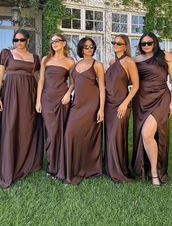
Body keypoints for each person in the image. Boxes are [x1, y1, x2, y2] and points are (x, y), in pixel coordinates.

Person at [0, 29, 43, 188]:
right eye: (16, 40)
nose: (19, 43)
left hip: (29, 96)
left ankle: (28, 161)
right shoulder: (6, 54)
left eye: (22, 40)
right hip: (12, 96)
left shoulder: (34, 58)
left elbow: (38, 79)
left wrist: (40, 99)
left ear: (28, 41)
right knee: (11, 127)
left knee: (28, 128)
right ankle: (9, 163)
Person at [132, 32, 172, 186]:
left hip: (161, 98)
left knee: (147, 134)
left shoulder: (165, 56)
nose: (146, 46)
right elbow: (124, 71)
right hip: (142, 100)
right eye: (143, 44)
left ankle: (154, 173)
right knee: (146, 136)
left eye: (149, 43)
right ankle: (146, 168)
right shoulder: (136, 60)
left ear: (155, 42)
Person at [64, 37, 105, 185]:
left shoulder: (97, 65)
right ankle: (72, 168)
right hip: (77, 104)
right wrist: (68, 93)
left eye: (92, 46)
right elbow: (73, 84)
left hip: (92, 104)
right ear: (81, 49)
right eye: (86, 47)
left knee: (88, 135)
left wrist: (101, 108)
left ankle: (90, 168)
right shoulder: (75, 65)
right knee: (70, 133)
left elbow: (102, 87)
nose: (89, 49)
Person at [36, 34, 74, 180]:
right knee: (51, 133)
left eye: (57, 41)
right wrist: (38, 101)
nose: (54, 43)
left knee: (61, 131)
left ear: (64, 43)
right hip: (47, 99)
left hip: (62, 100)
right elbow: (41, 80)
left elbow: (74, 82)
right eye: (52, 41)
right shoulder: (46, 59)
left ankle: (60, 164)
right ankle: (52, 165)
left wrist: (68, 94)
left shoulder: (70, 61)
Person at [104, 34, 139, 183]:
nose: (116, 45)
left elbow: (136, 85)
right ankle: (110, 168)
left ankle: (119, 170)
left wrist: (125, 103)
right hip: (108, 104)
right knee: (109, 136)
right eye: (114, 42)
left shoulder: (129, 62)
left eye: (119, 43)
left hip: (121, 104)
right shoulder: (112, 62)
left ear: (125, 46)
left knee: (116, 137)